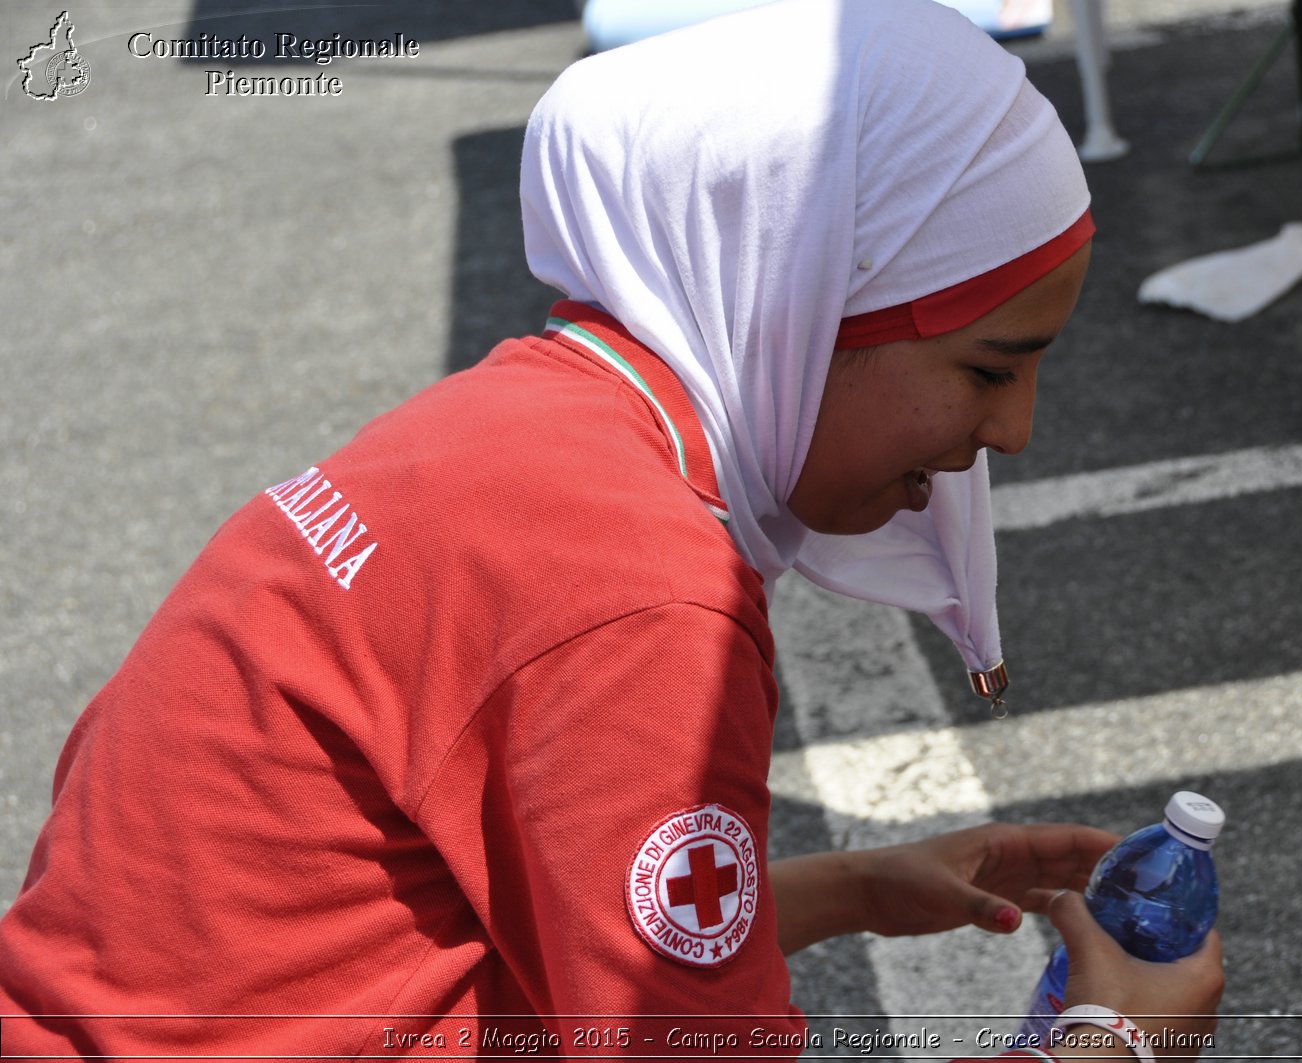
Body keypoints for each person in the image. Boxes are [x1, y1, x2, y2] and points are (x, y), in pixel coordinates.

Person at [0, 0, 1223, 1058]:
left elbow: (431, 903)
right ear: (798, 299)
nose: (1014, 434)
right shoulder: (639, 596)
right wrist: (1107, 1043)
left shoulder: (523, 420)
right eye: (988, 368)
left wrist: (846, 887)